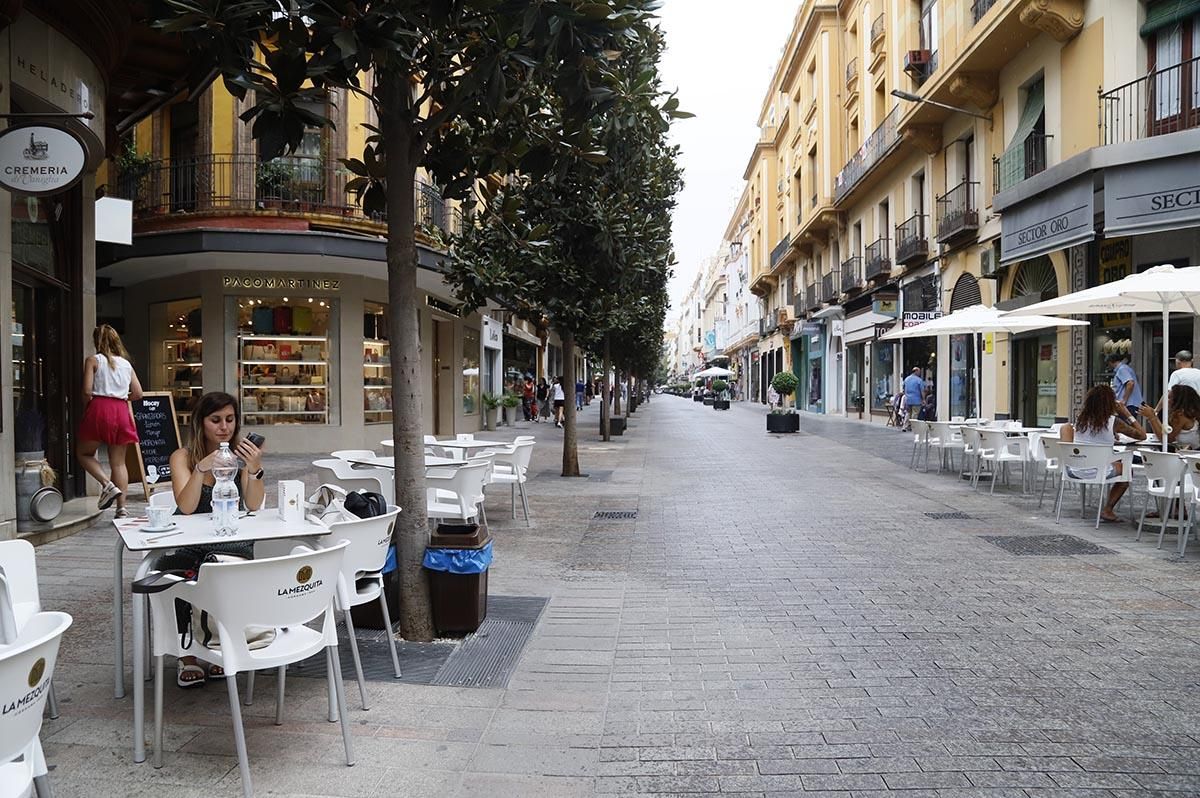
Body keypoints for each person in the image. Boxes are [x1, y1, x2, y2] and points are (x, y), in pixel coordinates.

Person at [162, 392, 266, 687]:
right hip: (193, 543)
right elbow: (186, 507)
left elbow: (254, 504)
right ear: (200, 423)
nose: (224, 427)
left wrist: (254, 469)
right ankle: (188, 653)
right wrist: (201, 468)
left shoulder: (240, 456)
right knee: (173, 569)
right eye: (216, 420)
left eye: (230, 420)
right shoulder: (182, 457)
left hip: (230, 542)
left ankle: (216, 645)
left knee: (225, 569)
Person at [1060, 385, 1158, 523]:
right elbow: (1142, 435)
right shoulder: (1114, 422)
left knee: (1113, 463)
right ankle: (1108, 509)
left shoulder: (1081, 419)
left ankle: (1102, 508)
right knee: (1127, 470)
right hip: (1099, 471)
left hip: (1074, 470)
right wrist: (1126, 413)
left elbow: (1093, 436)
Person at [77, 324, 144, 517]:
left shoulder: (93, 360)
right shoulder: (126, 364)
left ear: (96, 341)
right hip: (121, 409)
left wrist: (88, 406)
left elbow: (87, 391)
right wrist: (122, 398)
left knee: (84, 453)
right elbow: (138, 393)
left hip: (99, 407)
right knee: (119, 463)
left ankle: (107, 484)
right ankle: (121, 508)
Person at [901, 367, 925, 431]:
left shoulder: (906, 379)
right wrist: (923, 399)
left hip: (908, 399)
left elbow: (903, 388)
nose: (920, 373)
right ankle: (913, 427)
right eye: (919, 371)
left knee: (908, 413)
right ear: (916, 371)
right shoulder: (919, 380)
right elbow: (922, 391)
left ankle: (905, 426)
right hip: (916, 400)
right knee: (915, 414)